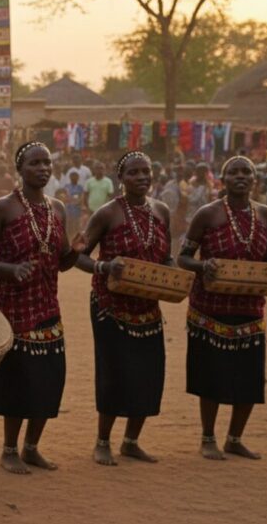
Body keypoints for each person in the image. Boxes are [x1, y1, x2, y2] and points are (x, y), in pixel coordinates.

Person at [0, 141, 81, 475]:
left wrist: (76, 252)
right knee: (17, 383)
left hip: (48, 306)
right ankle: (9, 450)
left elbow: (60, 261)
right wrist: (10, 270)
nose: (43, 169)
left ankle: (32, 448)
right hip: (12, 310)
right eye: (35, 163)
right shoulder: (3, 208)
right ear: (20, 169)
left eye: (47, 162)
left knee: (48, 380)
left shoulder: (57, 209)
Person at [75, 152, 173, 466]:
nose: (142, 177)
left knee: (148, 374)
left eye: (146, 171)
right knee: (113, 374)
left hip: (148, 308)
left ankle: (131, 442)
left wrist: (174, 275)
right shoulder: (107, 213)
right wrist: (105, 267)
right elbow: (79, 256)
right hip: (110, 307)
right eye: (134, 172)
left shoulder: (161, 211)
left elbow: (167, 257)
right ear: (121, 178)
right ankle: (102, 442)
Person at [177, 155, 267, 461]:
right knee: (212, 376)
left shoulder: (265, 215)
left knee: (248, 377)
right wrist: (204, 265)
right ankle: (208, 437)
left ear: (255, 180)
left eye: (247, 172)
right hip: (210, 308)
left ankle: (235, 438)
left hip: (250, 310)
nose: (241, 176)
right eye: (234, 172)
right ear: (223, 179)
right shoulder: (208, 214)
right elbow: (183, 257)